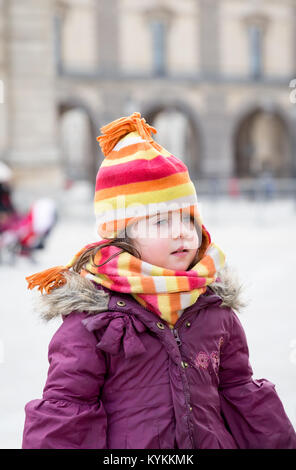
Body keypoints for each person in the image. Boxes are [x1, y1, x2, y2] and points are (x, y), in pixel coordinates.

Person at [22, 112, 296, 449]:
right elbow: (68, 412)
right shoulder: (93, 321)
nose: (181, 231)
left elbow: (239, 392)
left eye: (188, 219)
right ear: (120, 237)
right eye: (161, 222)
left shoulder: (213, 307)